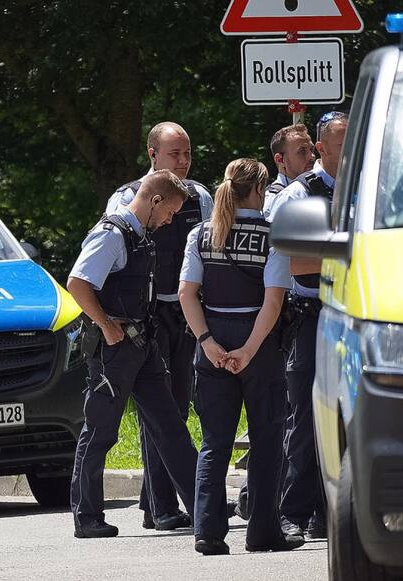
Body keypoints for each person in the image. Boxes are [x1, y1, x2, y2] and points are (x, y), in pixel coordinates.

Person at [178, 158, 302, 555]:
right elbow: (273, 301)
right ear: (261, 191)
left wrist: (208, 342)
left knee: (215, 441)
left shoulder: (201, 233)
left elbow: (186, 293)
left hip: (211, 340)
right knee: (267, 439)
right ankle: (263, 531)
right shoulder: (272, 236)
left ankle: (208, 531)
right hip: (258, 345)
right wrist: (248, 350)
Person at [68, 170, 199, 538]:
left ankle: (203, 507)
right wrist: (106, 325)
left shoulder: (142, 236)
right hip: (113, 349)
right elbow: (78, 283)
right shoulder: (112, 234)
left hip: (143, 344)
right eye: (170, 212)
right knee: (101, 431)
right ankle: (87, 517)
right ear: (154, 201)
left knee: (171, 425)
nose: (171, 220)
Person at [105, 122, 213, 530]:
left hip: (183, 314)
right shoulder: (125, 197)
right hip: (144, 317)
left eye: (187, 154)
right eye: (174, 155)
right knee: (157, 409)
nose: (183, 162)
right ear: (153, 155)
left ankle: (156, 502)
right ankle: (162, 505)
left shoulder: (200, 196)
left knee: (177, 408)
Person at [264, 111, 348, 541]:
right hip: (310, 315)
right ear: (321, 148)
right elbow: (297, 264)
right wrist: (353, 253)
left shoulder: (359, 190)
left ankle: (326, 511)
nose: (352, 145)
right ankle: (291, 511)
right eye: (342, 139)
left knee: (345, 417)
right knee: (305, 417)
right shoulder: (299, 194)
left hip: (352, 314)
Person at [236, 122, 316, 521]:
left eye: (311, 149)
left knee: (286, 411)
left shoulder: (319, 191)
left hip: (288, 313)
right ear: (280, 158)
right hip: (278, 316)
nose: (311, 156)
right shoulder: (273, 199)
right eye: (302, 151)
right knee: (281, 412)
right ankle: (259, 497)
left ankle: (259, 496)